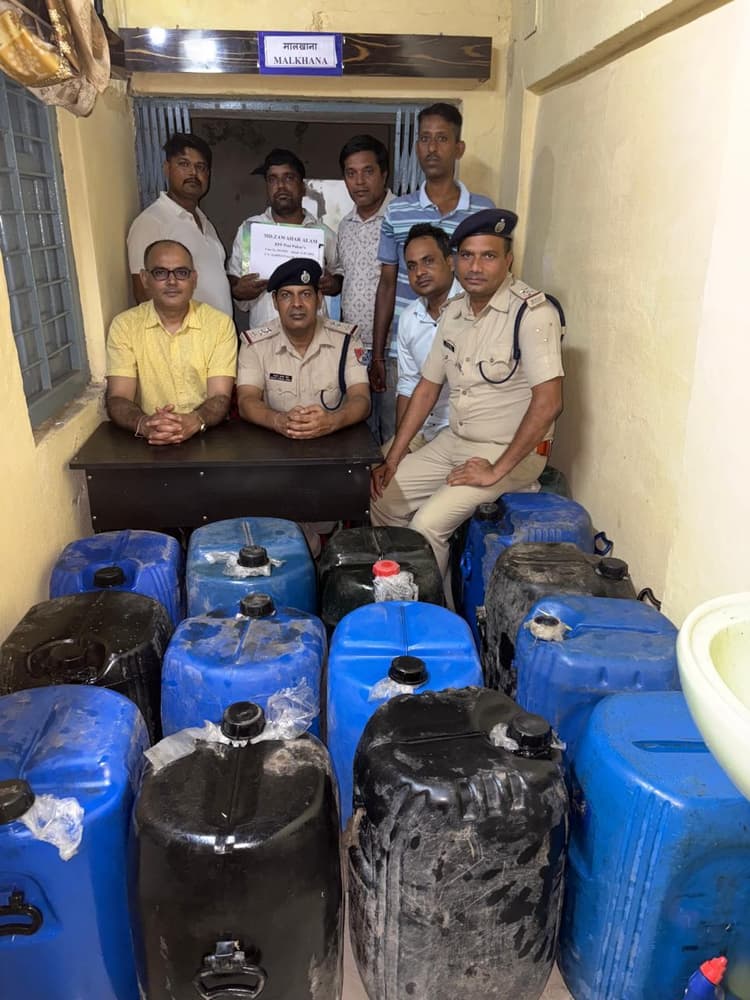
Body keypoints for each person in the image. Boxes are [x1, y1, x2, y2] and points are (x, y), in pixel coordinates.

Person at [370, 209, 564, 588]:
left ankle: (435, 609)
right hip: (455, 441)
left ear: (508, 260)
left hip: (510, 452)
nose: (475, 267)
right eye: (467, 255)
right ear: (455, 260)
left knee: (428, 525)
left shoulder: (532, 314)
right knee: (383, 496)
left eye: (488, 256)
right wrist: (393, 458)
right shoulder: (454, 312)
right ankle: (402, 588)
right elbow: (427, 388)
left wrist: (496, 469)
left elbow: (549, 403)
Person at [370, 103, 494, 442]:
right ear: (416, 147)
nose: (432, 148)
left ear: (459, 148)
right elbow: (387, 284)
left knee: (460, 440)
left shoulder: (482, 210)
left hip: (467, 351)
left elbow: (492, 282)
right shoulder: (397, 211)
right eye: (425, 139)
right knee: (400, 441)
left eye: (442, 138)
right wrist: (379, 353)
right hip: (406, 349)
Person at [106, 239, 237, 446]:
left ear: (194, 279)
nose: (172, 281)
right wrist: (145, 424)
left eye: (181, 273)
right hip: (147, 438)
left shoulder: (219, 324)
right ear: (145, 279)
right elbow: (118, 397)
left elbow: (220, 396)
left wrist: (194, 420)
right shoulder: (125, 326)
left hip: (206, 435)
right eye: (160, 273)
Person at [236, 258, 370, 440]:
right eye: (286, 295)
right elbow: (246, 401)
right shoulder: (255, 345)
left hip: (335, 443)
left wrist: (332, 421)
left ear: (319, 299)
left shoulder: (347, 341)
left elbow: (362, 399)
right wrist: (278, 421)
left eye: (305, 294)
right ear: (275, 301)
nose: (296, 303)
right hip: (275, 443)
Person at [228, 149, 342, 329]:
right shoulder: (249, 230)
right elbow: (233, 279)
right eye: (272, 179)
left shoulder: (323, 234)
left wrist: (334, 284)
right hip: (265, 334)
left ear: (302, 187)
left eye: (289, 178)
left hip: (315, 337)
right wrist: (238, 290)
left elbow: (339, 274)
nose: (280, 186)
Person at [127, 133, 233, 317]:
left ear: (208, 174)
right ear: (167, 168)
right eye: (184, 164)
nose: (193, 173)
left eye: (200, 167)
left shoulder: (205, 222)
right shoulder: (151, 221)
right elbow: (144, 294)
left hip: (219, 332)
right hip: (186, 333)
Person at [336, 134, 394, 441]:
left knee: (395, 431)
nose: (359, 182)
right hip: (356, 349)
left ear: (384, 174)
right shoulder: (344, 226)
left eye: (368, 171)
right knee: (361, 435)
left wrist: (381, 355)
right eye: (351, 173)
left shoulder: (401, 218)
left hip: (396, 349)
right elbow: (343, 276)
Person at [395, 223, 461, 451]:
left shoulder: (472, 309)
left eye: (428, 261)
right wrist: (401, 446)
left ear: (450, 262)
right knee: (377, 469)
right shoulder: (409, 318)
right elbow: (408, 384)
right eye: (412, 266)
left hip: (461, 432)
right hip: (422, 429)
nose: (420, 272)